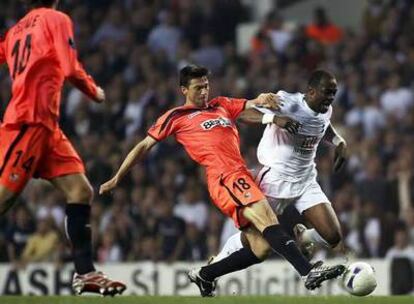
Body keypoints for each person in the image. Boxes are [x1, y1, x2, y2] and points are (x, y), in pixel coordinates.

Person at [99, 64, 345, 297]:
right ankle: (308, 271)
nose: (204, 91)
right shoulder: (176, 116)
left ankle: (206, 274)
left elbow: (251, 105)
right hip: (224, 177)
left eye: (206, 85)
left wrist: (265, 102)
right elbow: (144, 146)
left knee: (260, 249)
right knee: (269, 221)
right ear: (184, 90)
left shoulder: (220, 105)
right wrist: (117, 178)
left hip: (240, 173)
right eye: (198, 87)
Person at [0, 0, 125, 296]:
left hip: (47, 127)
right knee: (3, 200)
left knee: (80, 191)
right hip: (28, 121)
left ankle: (86, 274)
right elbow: (69, 66)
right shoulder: (56, 18)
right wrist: (94, 91)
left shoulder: (16, 30)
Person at [205, 69, 348, 281]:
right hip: (275, 180)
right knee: (254, 239)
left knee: (333, 236)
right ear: (310, 92)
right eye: (327, 92)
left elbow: (322, 126)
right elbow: (241, 113)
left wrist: (338, 142)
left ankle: (304, 235)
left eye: (333, 93)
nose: (330, 98)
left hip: (306, 180)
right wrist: (274, 118)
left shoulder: (325, 109)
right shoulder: (286, 102)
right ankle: (219, 261)